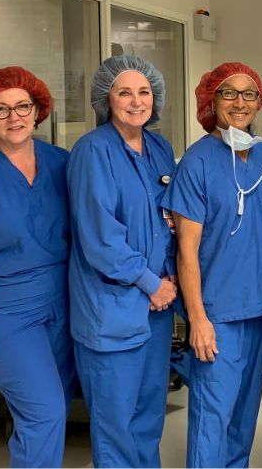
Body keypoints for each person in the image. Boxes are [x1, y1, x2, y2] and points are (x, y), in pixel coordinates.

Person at [162, 62, 262, 468]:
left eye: (249, 94)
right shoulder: (197, 162)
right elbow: (187, 250)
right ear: (211, 100)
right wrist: (198, 319)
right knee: (212, 417)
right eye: (228, 93)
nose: (240, 102)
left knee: (243, 415)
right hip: (217, 312)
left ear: (259, 103)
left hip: (261, 309)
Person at [0, 67, 75, 467]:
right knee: (45, 411)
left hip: (60, 301)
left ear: (38, 110)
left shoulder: (62, 162)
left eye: (22, 106)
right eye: (0, 109)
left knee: (48, 408)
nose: (14, 117)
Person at [67, 55, 177, 467]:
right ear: (105, 99)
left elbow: (170, 219)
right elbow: (100, 240)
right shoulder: (93, 152)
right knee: (115, 424)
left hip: (158, 308)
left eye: (144, 92)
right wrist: (152, 284)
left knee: (149, 416)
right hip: (110, 311)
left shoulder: (160, 148)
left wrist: (169, 279)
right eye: (124, 92)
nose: (136, 101)